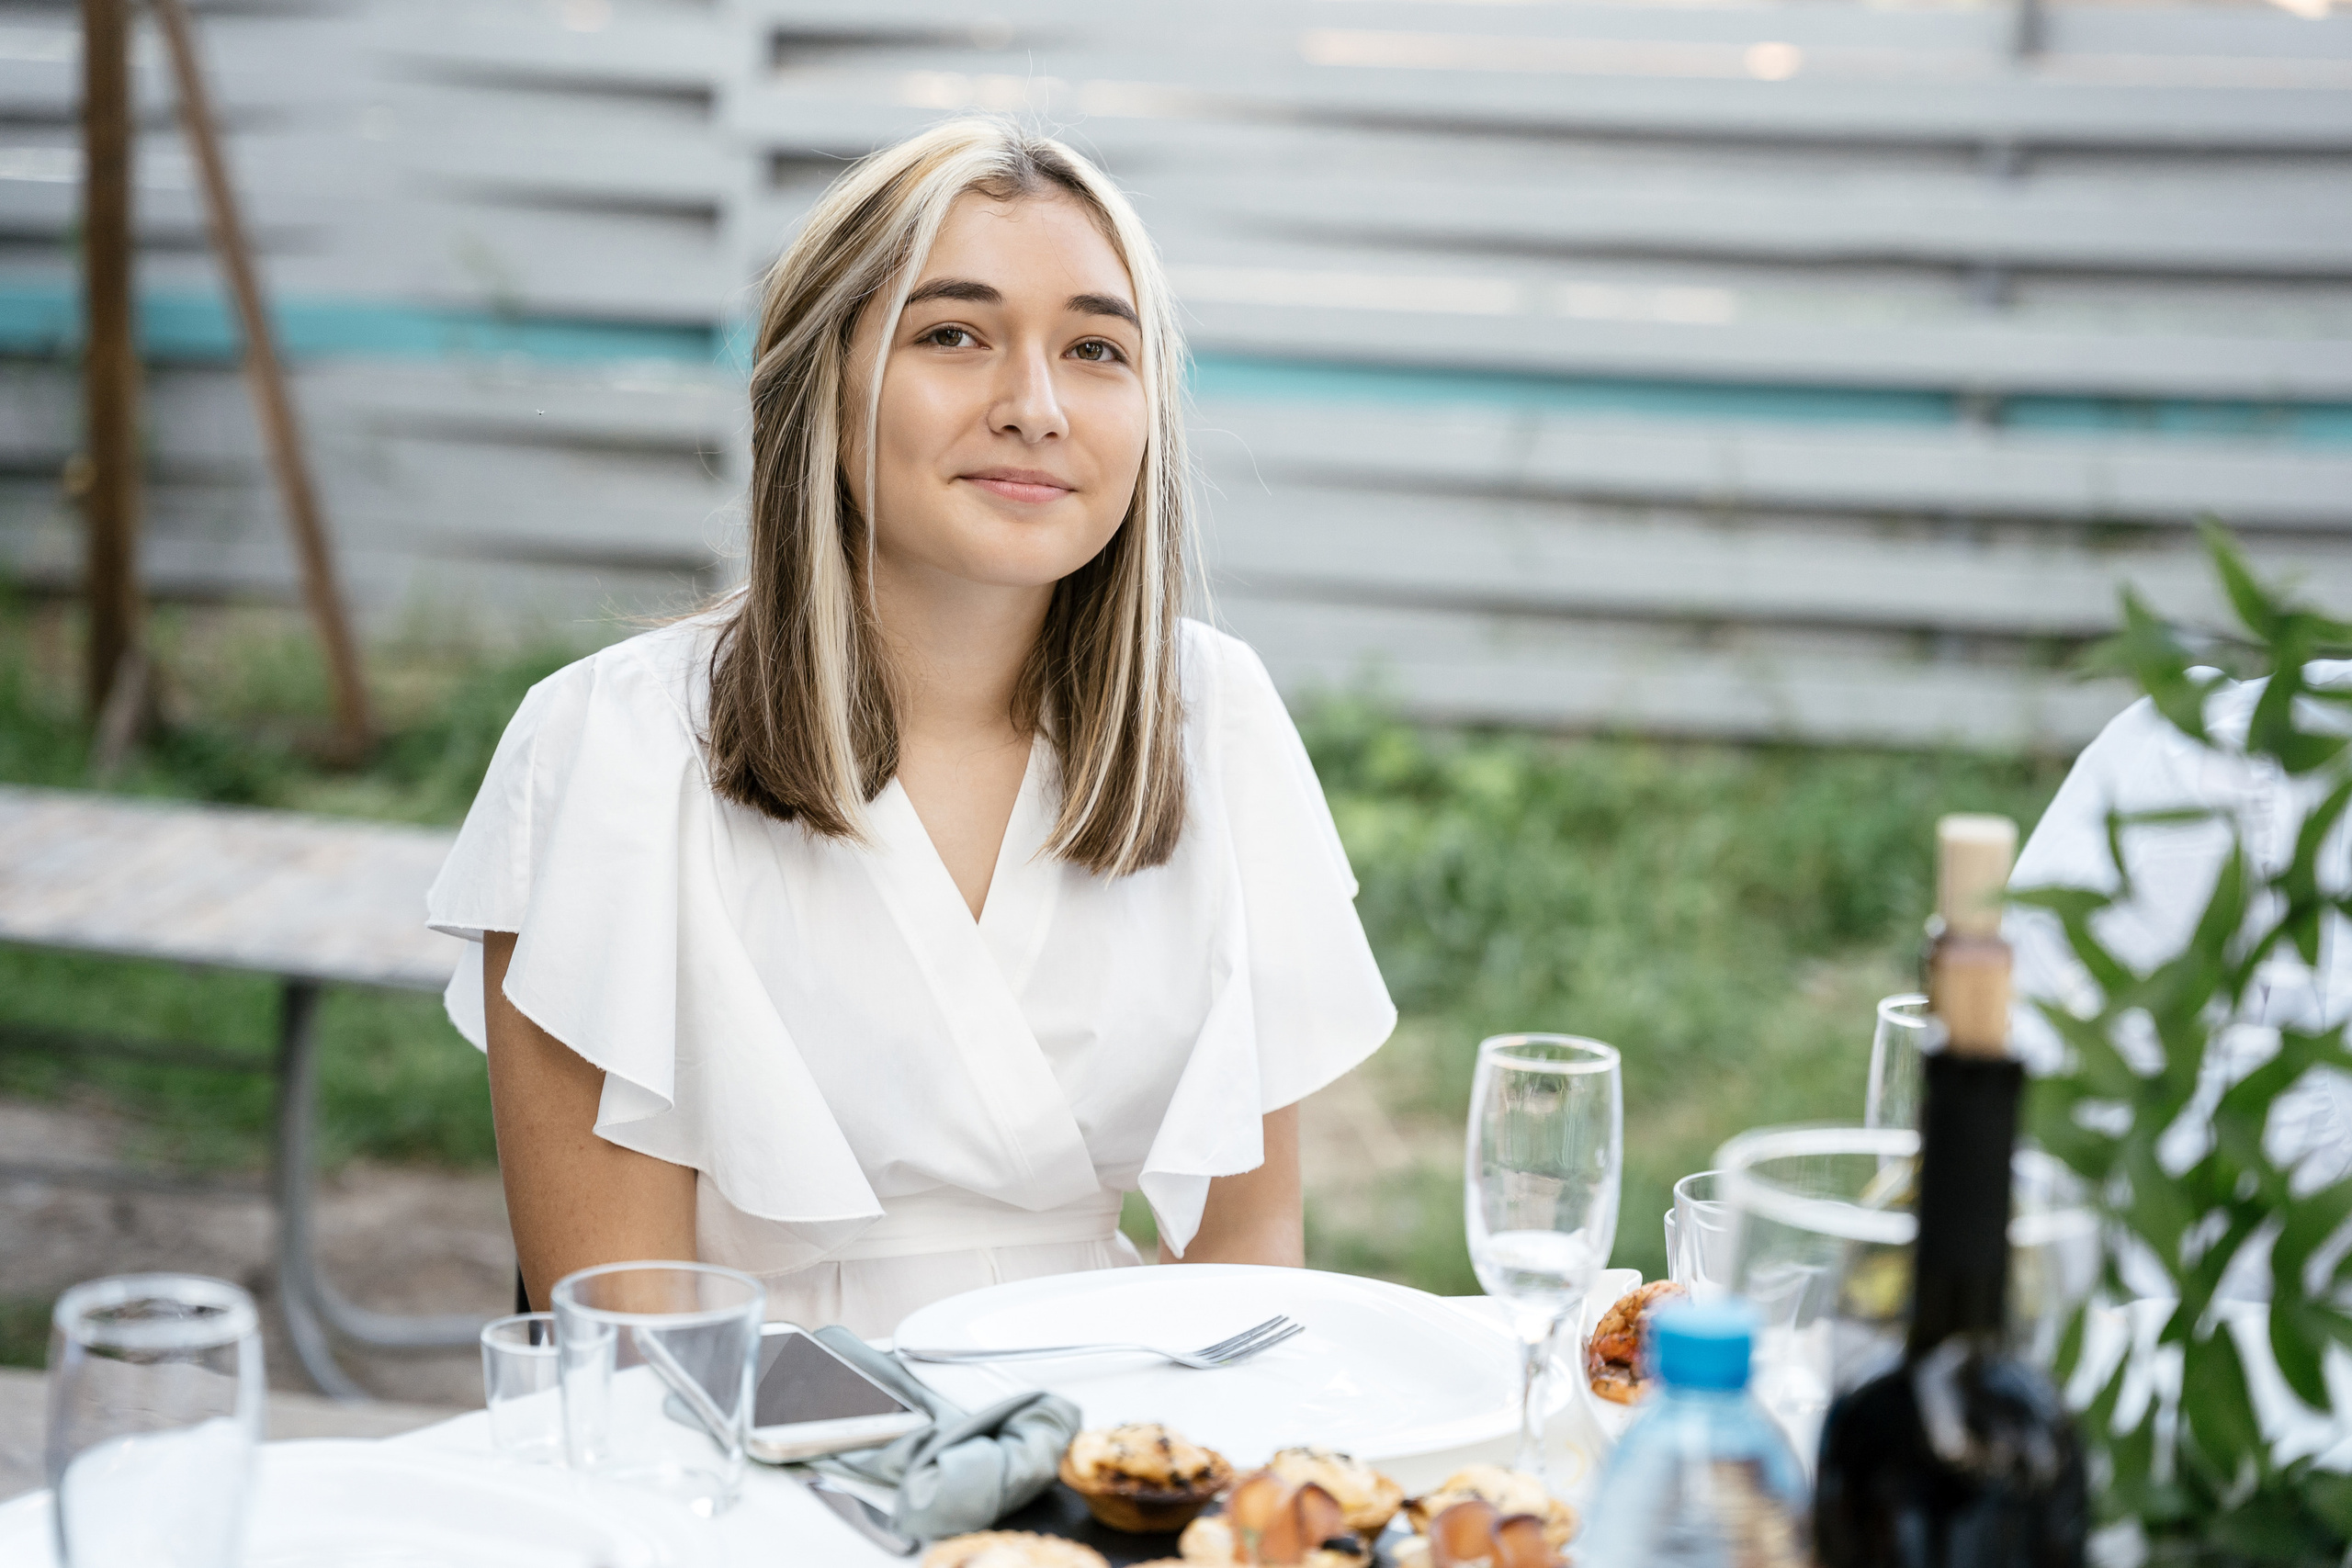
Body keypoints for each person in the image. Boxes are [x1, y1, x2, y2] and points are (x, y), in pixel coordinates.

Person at [424, 120, 1396, 1335]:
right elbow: (629, 1337)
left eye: (1096, 348)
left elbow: (1247, 1261)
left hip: (1111, 1424)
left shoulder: (1215, 717)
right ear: (818, 385)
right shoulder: (609, 749)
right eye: (953, 335)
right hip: (757, 1428)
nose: (1036, 407)